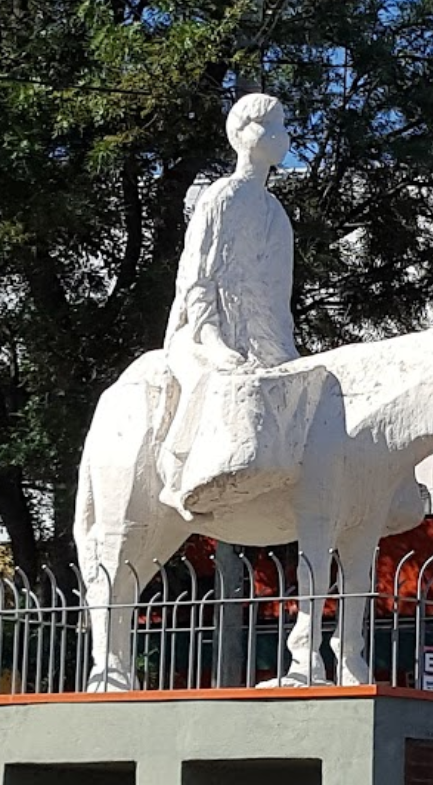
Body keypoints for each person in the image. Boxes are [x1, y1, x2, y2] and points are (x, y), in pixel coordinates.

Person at [157, 93, 299, 518]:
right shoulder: (222, 195)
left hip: (262, 340)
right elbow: (195, 274)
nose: (281, 136)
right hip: (205, 333)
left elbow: (277, 296)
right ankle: (179, 475)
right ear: (241, 135)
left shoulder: (276, 213)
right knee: (213, 377)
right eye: (268, 126)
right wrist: (212, 337)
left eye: (283, 126)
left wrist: (278, 351)